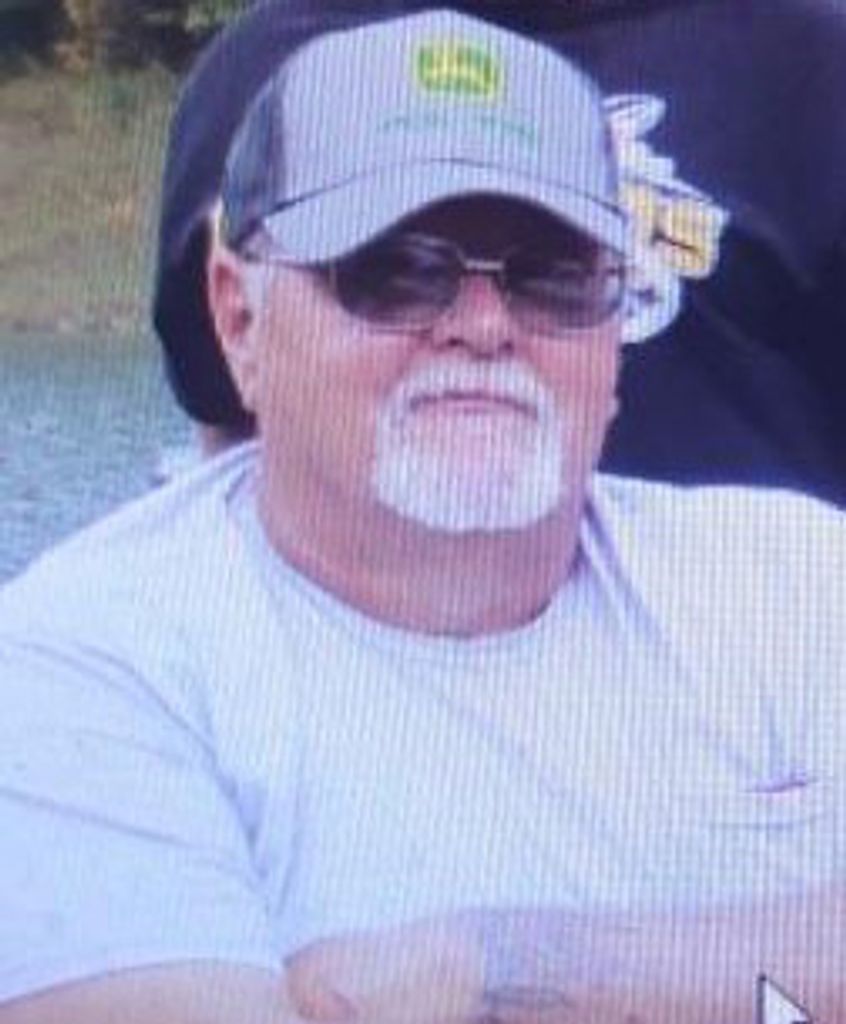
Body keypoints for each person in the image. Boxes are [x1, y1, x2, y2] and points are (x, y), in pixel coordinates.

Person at [1, 9, 844, 1023]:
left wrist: (492, 969)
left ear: (620, 322)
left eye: (551, 277)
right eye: (394, 272)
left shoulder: (798, 585)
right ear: (237, 317)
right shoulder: (87, 665)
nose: (483, 327)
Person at [153, 0, 846, 503]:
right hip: (343, 654)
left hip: (737, 648)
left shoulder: (810, 62)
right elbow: (227, 431)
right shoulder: (264, 66)